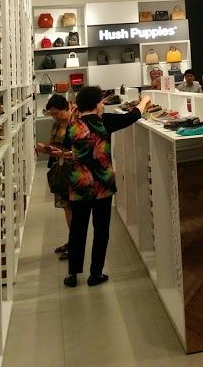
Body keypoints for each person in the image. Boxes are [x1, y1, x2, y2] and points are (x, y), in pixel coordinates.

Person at [62, 86, 151, 287]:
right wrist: (145, 100)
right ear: (97, 104)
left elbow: (67, 144)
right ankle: (95, 274)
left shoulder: (73, 126)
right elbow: (133, 116)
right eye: (101, 101)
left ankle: (73, 274)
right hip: (102, 184)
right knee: (101, 230)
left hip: (79, 184)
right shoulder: (105, 121)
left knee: (77, 229)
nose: (103, 104)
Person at [35, 93, 74, 259]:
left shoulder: (76, 123)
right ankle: (73, 242)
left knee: (73, 208)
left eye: (57, 113)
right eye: (51, 113)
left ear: (66, 108)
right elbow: (53, 145)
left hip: (74, 169)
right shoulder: (56, 124)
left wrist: (62, 152)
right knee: (67, 207)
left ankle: (75, 244)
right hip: (61, 168)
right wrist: (45, 148)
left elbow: (80, 148)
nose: (54, 116)